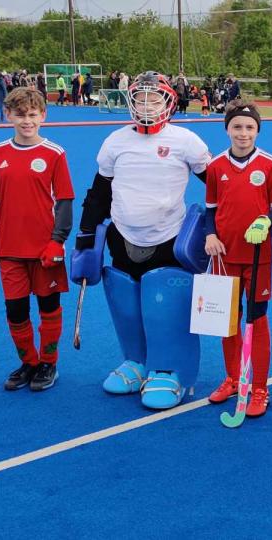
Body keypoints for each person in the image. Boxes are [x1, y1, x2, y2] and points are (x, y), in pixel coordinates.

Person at [74, 71, 212, 410]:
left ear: (169, 103)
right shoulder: (115, 141)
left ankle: (168, 369)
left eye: (154, 98)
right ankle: (136, 361)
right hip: (122, 236)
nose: (146, 104)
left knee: (163, 305)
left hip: (169, 238)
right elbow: (99, 192)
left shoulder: (186, 141)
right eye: (140, 98)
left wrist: (221, 224)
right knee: (127, 302)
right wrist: (86, 234)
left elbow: (217, 185)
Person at [0, 87, 75, 392]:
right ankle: (29, 362)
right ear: (8, 115)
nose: (27, 121)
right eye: (20, 115)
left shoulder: (55, 153)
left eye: (33, 114)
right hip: (9, 250)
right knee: (16, 311)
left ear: (43, 116)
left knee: (49, 308)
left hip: (45, 250)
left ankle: (48, 363)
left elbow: (64, 202)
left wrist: (57, 241)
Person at [203, 100, 272, 417]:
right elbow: (210, 210)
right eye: (237, 127)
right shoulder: (216, 166)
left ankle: (260, 388)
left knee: (256, 319)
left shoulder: (269, 165)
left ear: (257, 131)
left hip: (257, 257)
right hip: (224, 256)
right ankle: (232, 378)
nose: (243, 133)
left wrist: (266, 220)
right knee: (228, 321)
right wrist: (210, 236)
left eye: (250, 127)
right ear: (227, 129)